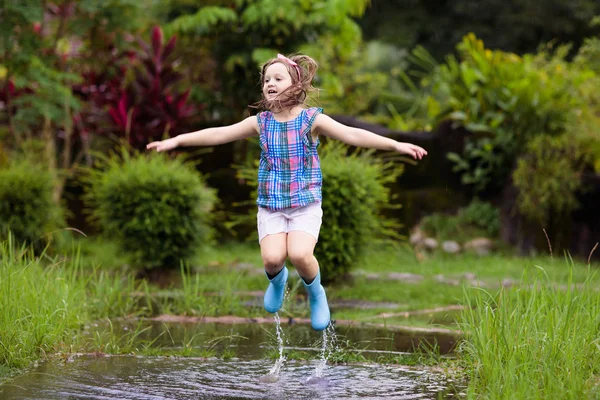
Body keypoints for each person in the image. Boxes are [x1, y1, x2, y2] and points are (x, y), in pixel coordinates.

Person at [146, 53, 427, 331]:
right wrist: (176, 141)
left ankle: (317, 294)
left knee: (301, 254)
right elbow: (219, 133)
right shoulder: (261, 122)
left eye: (278, 78)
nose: (270, 83)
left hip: (305, 202)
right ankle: (277, 281)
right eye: (267, 79)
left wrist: (396, 145)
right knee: (272, 259)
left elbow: (353, 134)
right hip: (271, 204)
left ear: (295, 85)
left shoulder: (311, 120)